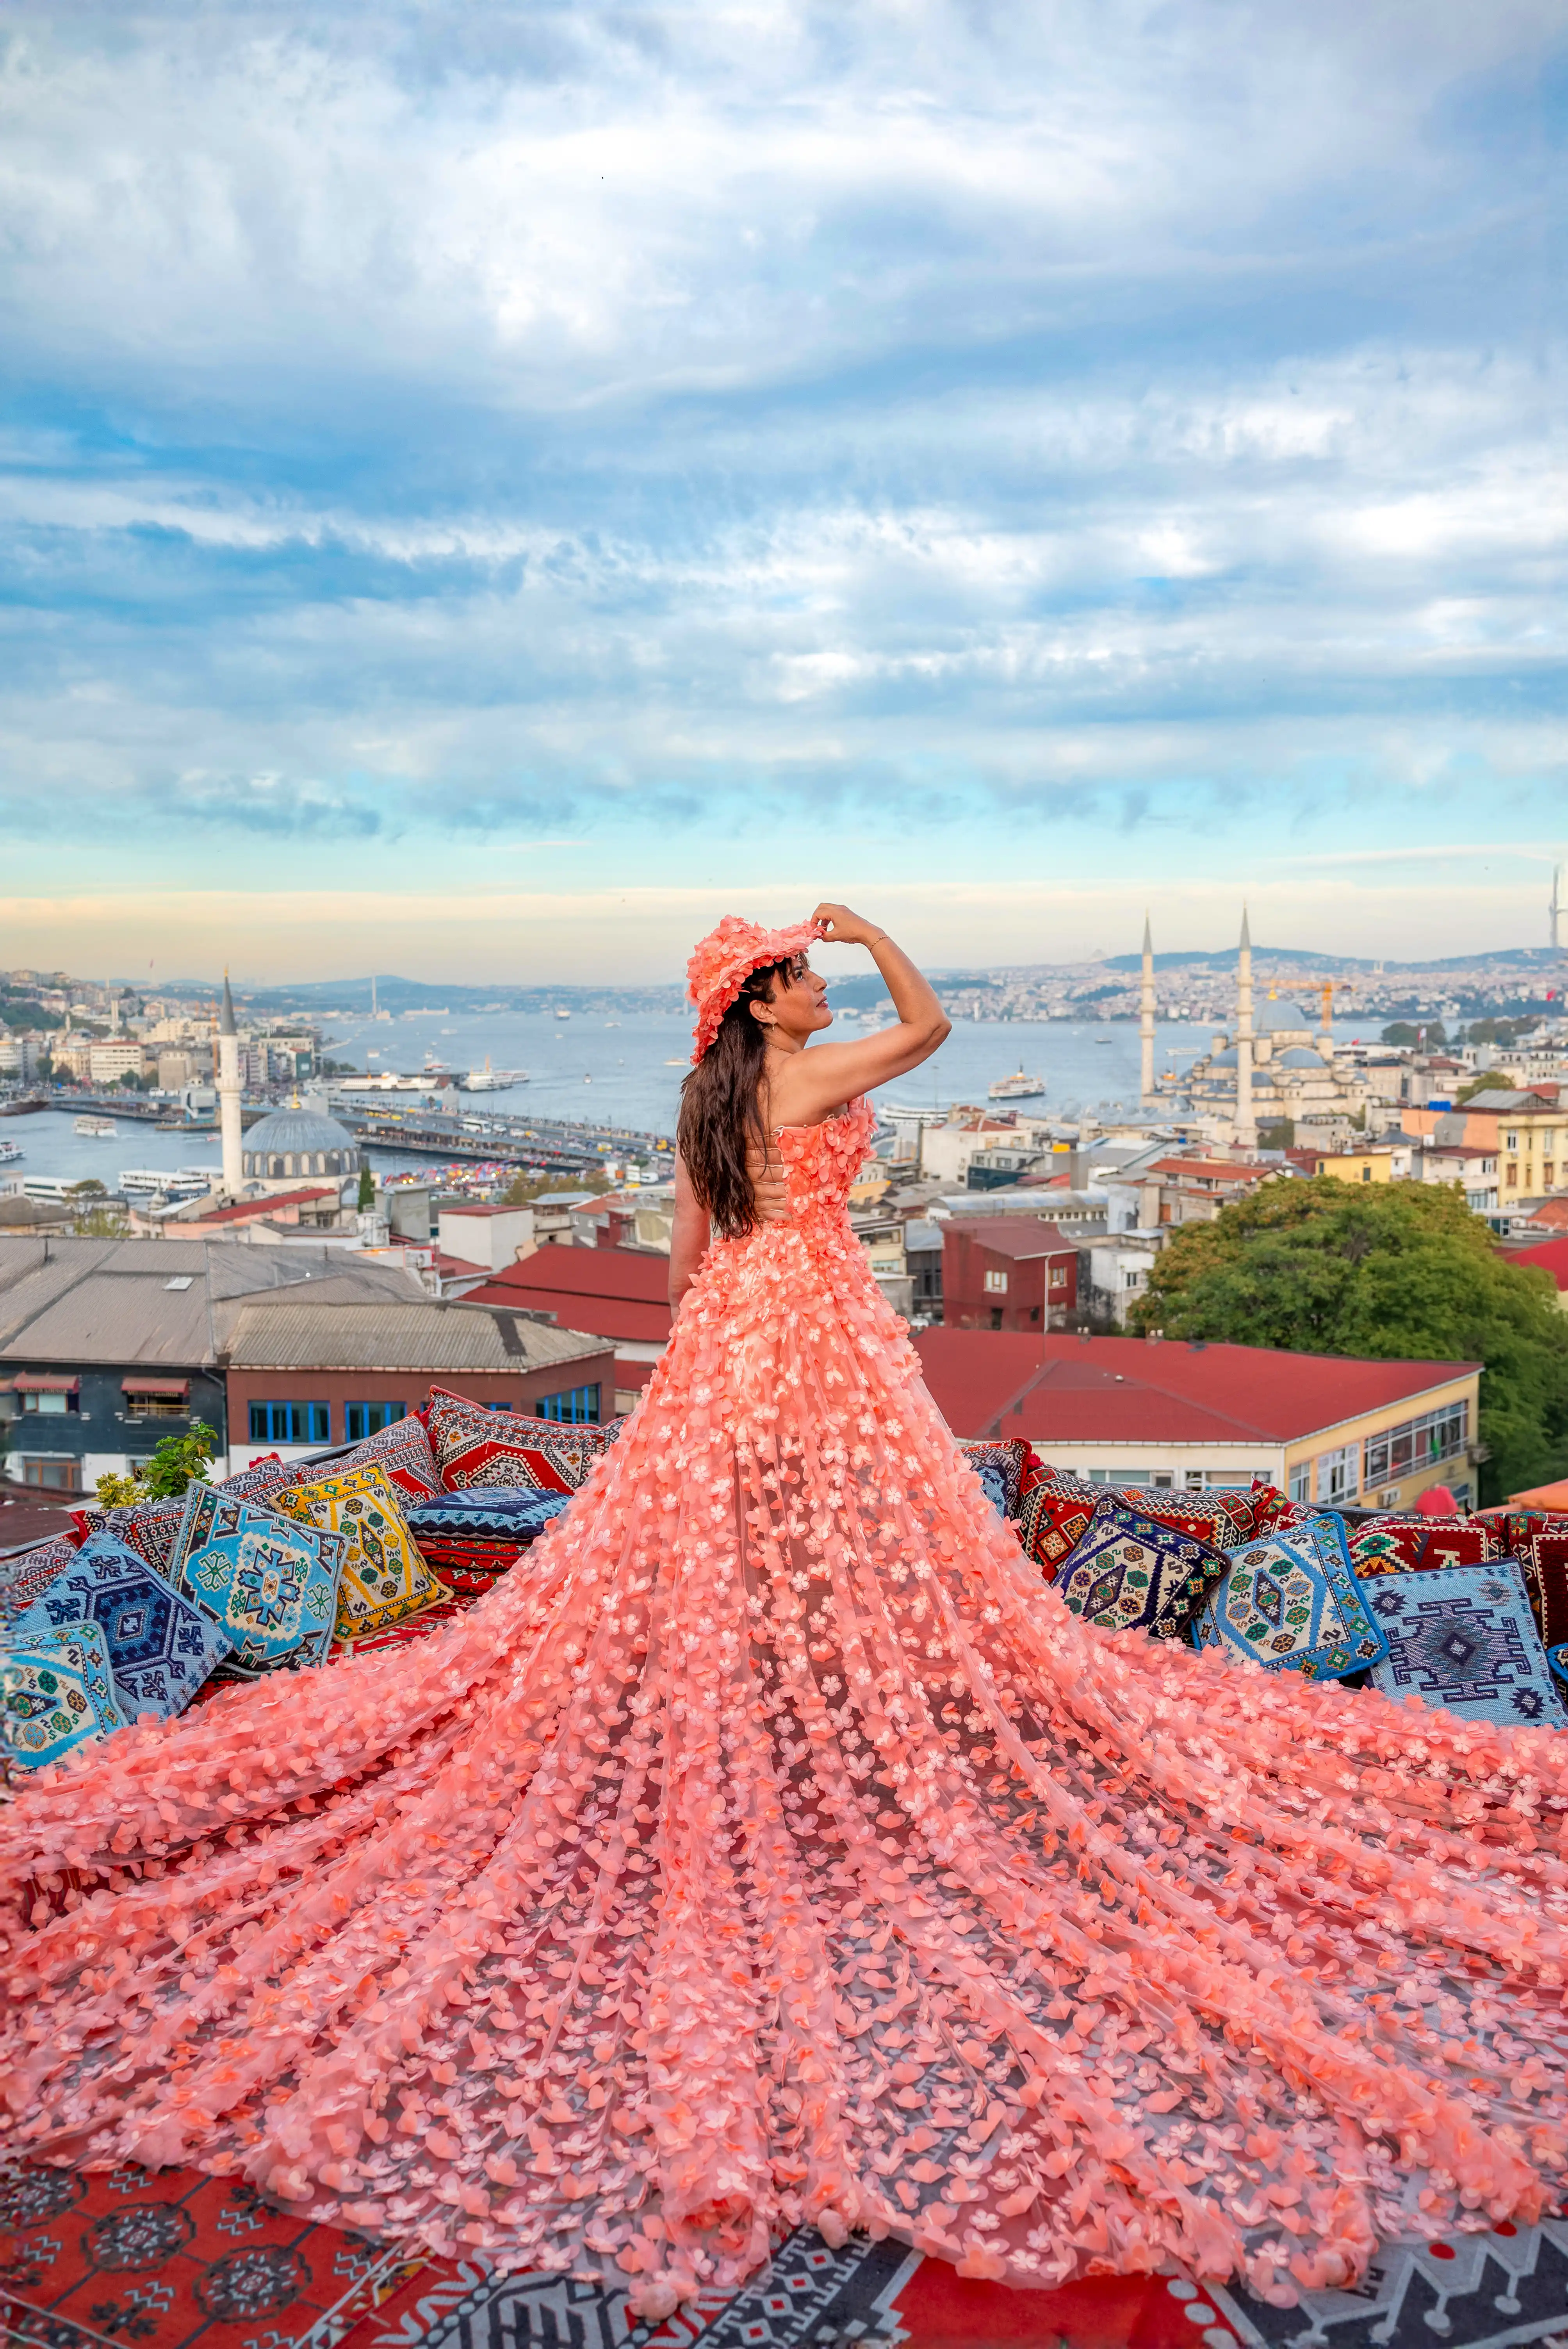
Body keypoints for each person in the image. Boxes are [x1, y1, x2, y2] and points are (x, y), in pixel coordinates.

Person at [4, 909, 1568, 2328]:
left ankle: (761, 1757)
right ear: (758, 999)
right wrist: (873, 933)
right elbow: (935, 1026)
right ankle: (828, 1774)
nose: (818, 985)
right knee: (847, 1564)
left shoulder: (703, 1107)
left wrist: (721, 1353)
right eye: (797, 970)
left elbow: (687, 1265)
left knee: (725, 1572)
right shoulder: (799, 1082)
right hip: (814, 1341)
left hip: (736, 1342)